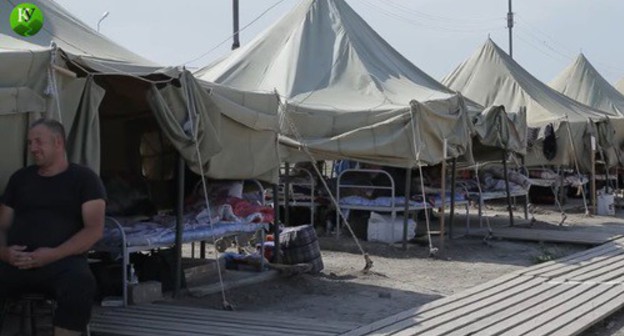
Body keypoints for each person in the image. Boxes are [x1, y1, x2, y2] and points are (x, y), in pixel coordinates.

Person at [0, 118, 106, 336]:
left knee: (81, 284)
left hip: (62, 262)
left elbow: (94, 230)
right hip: (15, 262)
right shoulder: (20, 179)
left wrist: (52, 255)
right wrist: (3, 253)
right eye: (30, 143)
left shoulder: (84, 179)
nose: (32, 148)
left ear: (58, 142)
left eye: (38, 142)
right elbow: (2, 225)